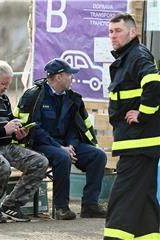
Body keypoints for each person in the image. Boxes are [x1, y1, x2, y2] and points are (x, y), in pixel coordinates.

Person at [14, 58, 107, 220]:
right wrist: (59, 146)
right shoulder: (34, 96)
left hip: (67, 146)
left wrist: (71, 145)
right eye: (70, 75)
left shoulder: (73, 98)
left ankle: (90, 206)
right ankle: (61, 207)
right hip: (40, 145)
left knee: (98, 156)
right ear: (58, 77)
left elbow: (75, 127)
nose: (73, 78)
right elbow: (35, 129)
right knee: (62, 157)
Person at [104, 13, 160, 240]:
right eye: (110, 31)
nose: (113, 36)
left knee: (122, 196)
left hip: (140, 143)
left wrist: (143, 114)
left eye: (118, 31)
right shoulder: (127, 57)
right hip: (138, 143)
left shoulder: (136, 55)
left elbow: (154, 84)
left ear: (132, 32)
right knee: (143, 199)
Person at [0, 60, 49, 223]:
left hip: (6, 145)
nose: (6, 88)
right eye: (3, 83)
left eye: (8, 84)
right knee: (1, 166)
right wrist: (4, 130)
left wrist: (18, 132)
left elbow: (10, 120)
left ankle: (12, 204)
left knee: (40, 162)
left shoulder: (3, 99)